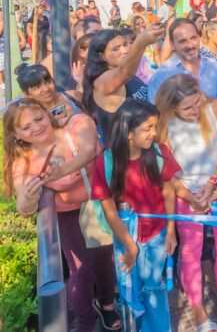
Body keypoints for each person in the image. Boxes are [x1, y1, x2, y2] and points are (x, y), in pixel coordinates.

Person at [4, 99, 120, 332]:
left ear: (47, 114)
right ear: (16, 135)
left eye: (39, 118)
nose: (36, 127)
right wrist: (29, 196)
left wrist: (60, 172)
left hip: (99, 205)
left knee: (105, 260)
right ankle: (85, 321)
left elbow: (89, 150)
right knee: (81, 270)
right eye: (26, 127)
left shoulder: (74, 127)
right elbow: (24, 208)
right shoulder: (23, 162)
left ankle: (107, 303)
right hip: (68, 217)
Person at [154, 75, 217, 331]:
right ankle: (198, 311)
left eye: (197, 102)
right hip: (186, 191)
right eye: (187, 108)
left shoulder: (216, 108)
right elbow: (168, 175)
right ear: (172, 107)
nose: (195, 110)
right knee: (191, 251)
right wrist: (190, 197)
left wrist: (213, 183)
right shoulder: (163, 126)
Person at [90, 99, 180, 331]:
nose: (154, 133)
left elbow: (169, 191)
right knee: (130, 287)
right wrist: (130, 246)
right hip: (125, 234)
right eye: (148, 128)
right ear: (128, 133)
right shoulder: (106, 162)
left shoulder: (160, 153)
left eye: (155, 126)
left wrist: (171, 230)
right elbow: (109, 209)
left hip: (157, 234)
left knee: (154, 287)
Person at [83, 27, 160, 142]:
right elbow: (125, 72)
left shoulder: (130, 75)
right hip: (122, 149)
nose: (124, 50)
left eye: (125, 44)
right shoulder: (101, 82)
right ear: (102, 56)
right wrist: (140, 43)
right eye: (116, 49)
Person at [147, 19, 217, 103]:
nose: (190, 45)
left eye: (193, 38)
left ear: (199, 38)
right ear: (172, 45)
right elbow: (155, 108)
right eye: (182, 41)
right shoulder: (162, 76)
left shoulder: (214, 66)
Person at [15, 64, 84, 125]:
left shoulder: (72, 96)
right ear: (27, 94)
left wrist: (80, 82)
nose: (46, 89)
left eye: (48, 82)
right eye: (37, 87)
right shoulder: (33, 117)